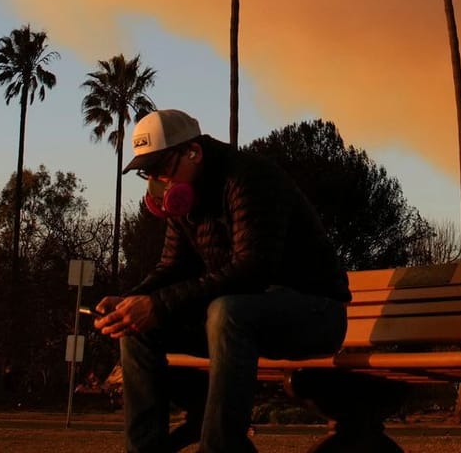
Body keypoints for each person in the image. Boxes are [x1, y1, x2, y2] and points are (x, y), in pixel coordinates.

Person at [93, 108, 349, 453]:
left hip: (316, 314)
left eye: (161, 168)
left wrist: (157, 305)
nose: (156, 181)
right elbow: (172, 267)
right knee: (138, 328)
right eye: (147, 172)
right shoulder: (183, 201)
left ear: (193, 153)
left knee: (226, 311)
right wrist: (131, 302)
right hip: (244, 320)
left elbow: (253, 270)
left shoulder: (250, 177)